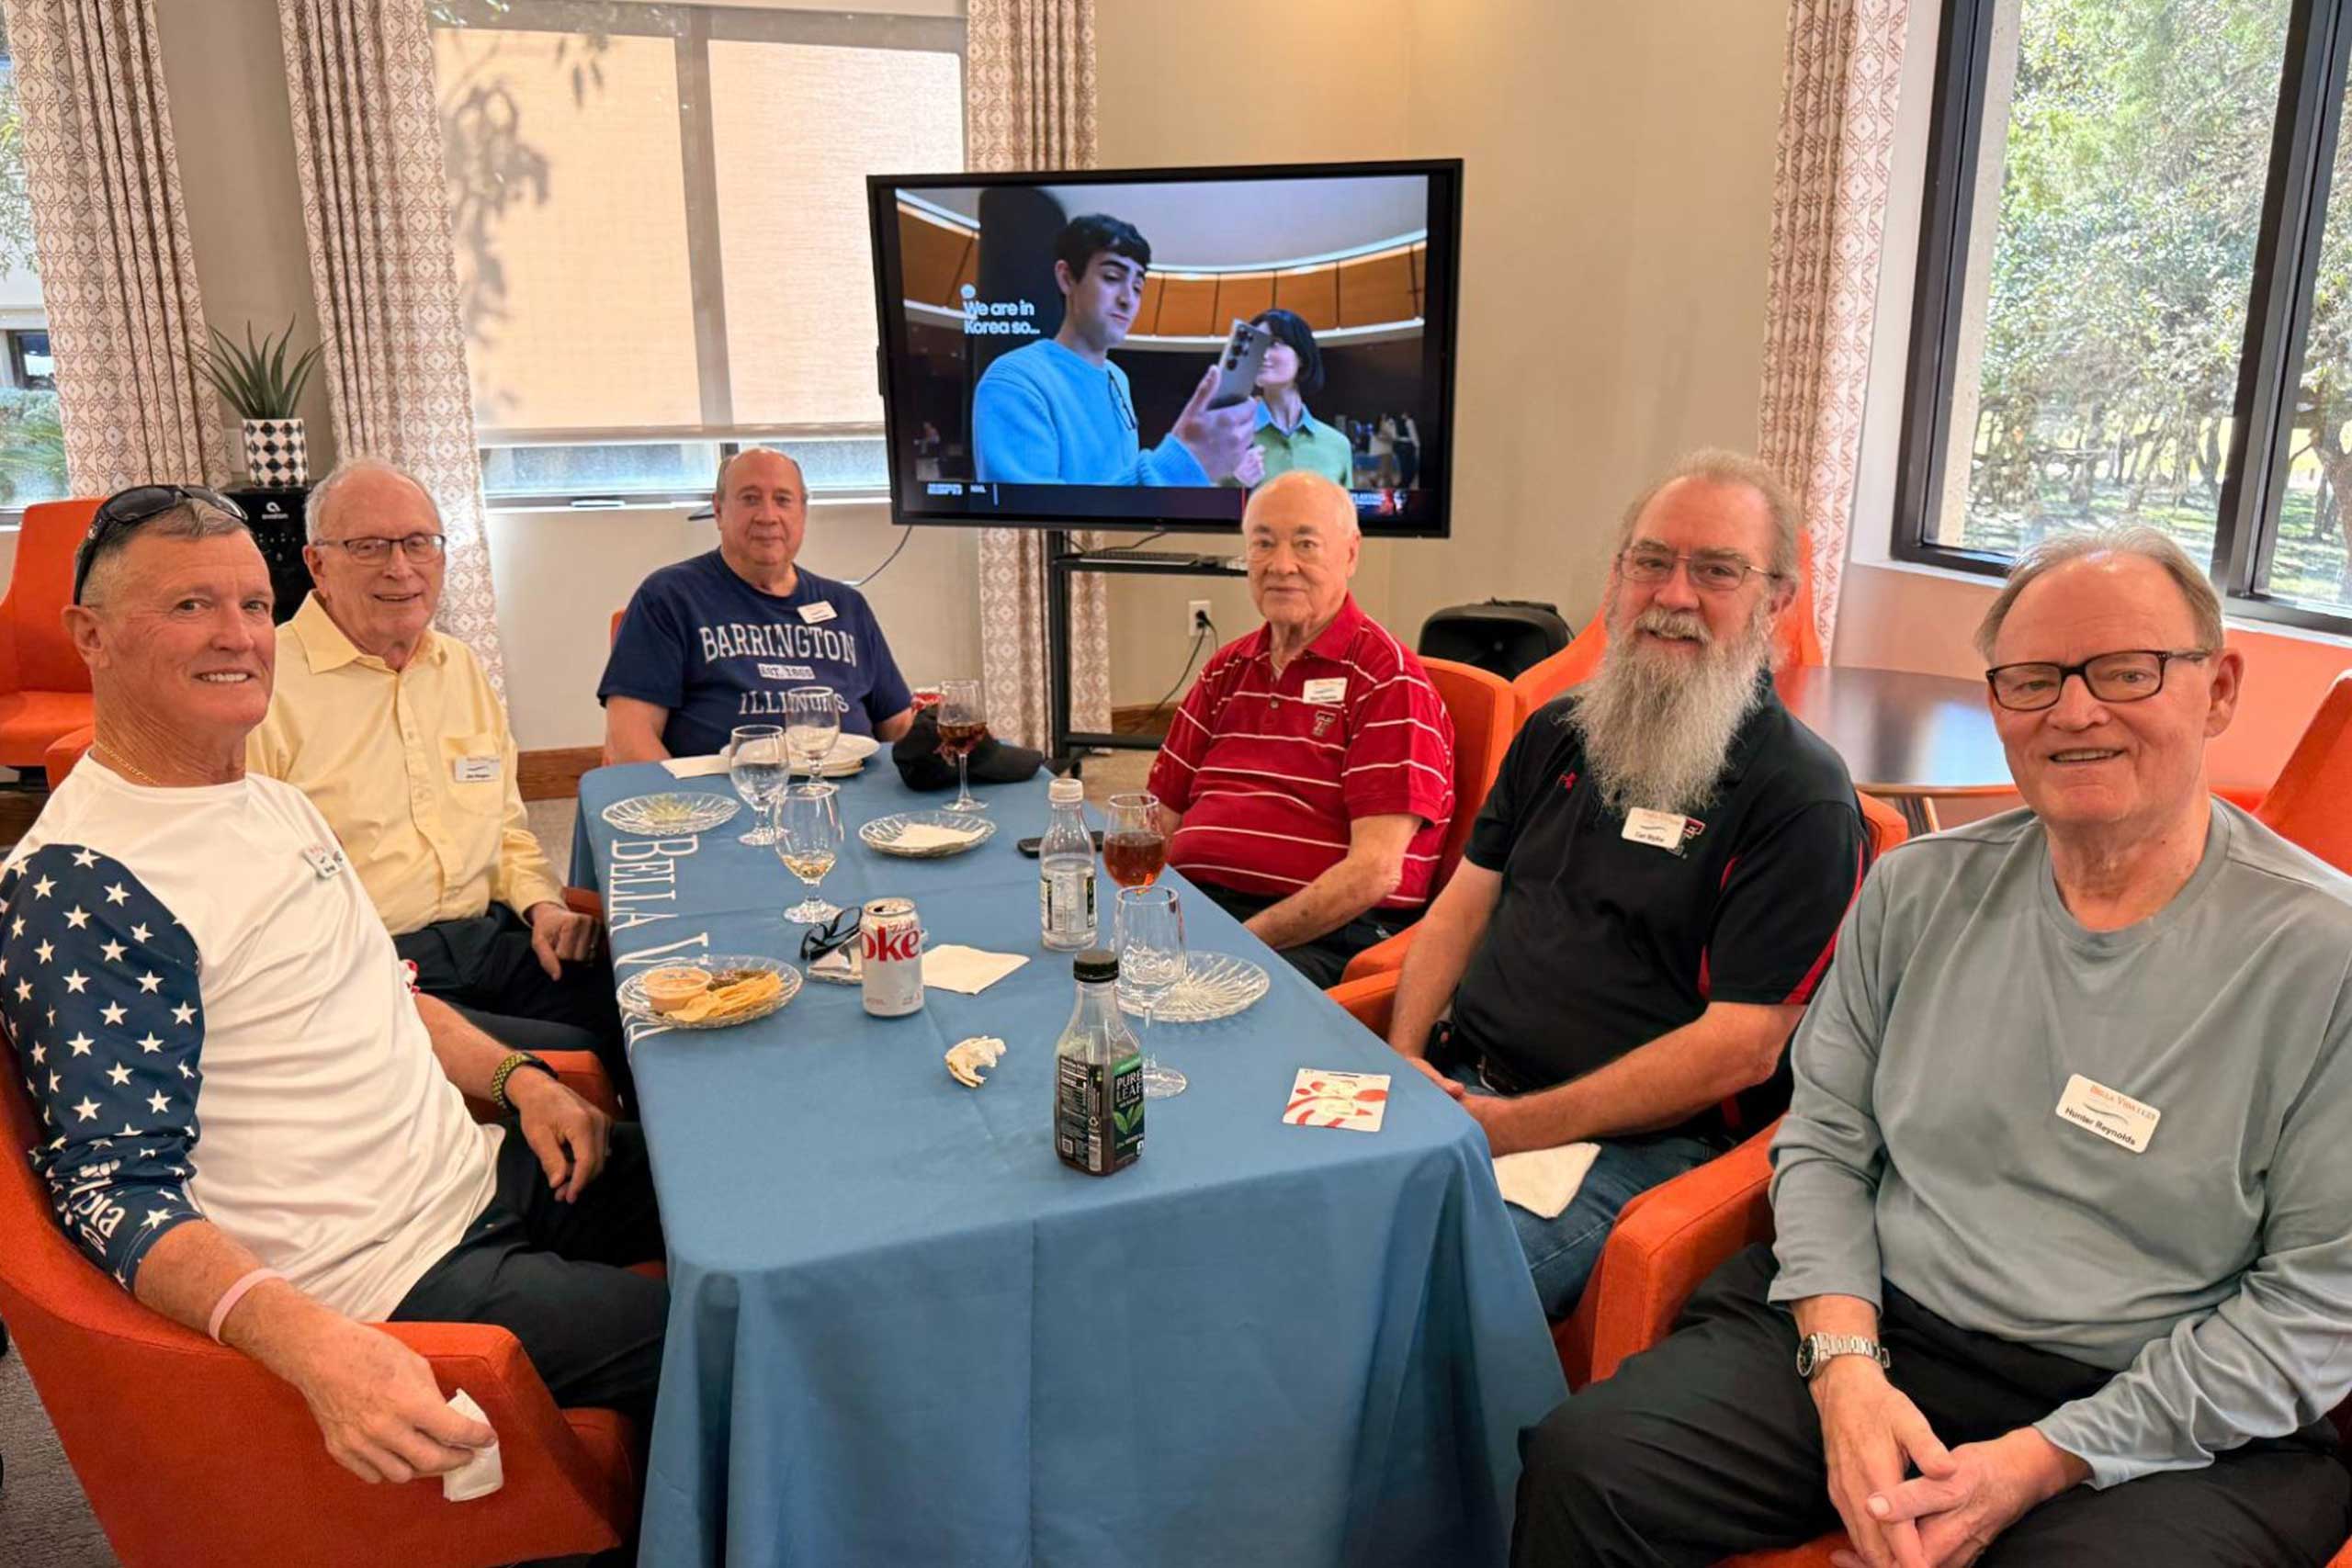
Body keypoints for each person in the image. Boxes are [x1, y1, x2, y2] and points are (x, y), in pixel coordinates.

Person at [1515, 526, 2352, 1568]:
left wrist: (2047, 1458)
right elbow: (1822, 1142)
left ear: (2217, 689)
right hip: (1885, 1326)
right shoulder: (1914, 891)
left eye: (2128, 672)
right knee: (1590, 1466)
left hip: (2170, 1406)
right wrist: (1844, 1367)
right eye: (2032, 680)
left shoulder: (2325, 958)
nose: (2075, 712)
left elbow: (2318, 1302)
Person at [6, 485, 665, 1488]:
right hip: (389, 1274)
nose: (238, 636)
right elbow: (110, 1191)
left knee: (742, 1189)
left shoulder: (269, 802)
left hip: (476, 1171)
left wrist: (524, 1079)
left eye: (251, 607)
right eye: (188, 606)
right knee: (739, 1324)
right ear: (89, 635)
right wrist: (315, 1348)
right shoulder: (83, 882)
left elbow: (384, 996)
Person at [1387, 450, 1866, 1316]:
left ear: (1778, 600)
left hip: (1628, 1145)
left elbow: (1742, 1048)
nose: (1674, 595)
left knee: (1409, 1299)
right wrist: (1407, 1053)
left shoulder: (1800, 797)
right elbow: (1464, 902)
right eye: (1651, 561)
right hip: (1459, 1082)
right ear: (1618, 575)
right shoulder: (1558, 732)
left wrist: (1506, 1128)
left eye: (1717, 570)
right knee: (1280, 1213)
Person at [247, 458, 628, 1101]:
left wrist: (543, 905)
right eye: (369, 547)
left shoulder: (460, 668)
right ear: (317, 564)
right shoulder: (267, 690)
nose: (401, 568)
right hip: (370, 975)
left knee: (648, 1006)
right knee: (583, 1055)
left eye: (419, 542)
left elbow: (505, 827)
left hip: (487, 938)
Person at [1146, 470, 1454, 987]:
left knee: (1187, 1012)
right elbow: (1158, 819)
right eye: (1263, 544)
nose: (1281, 565)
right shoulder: (1227, 668)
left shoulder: (1386, 679)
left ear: (1351, 554)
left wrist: (1239, 942)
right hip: (1202, 911)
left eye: (1305, 544)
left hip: (1322, 933)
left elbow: (1374, 873)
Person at [602, 447, 915, 761]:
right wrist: (689, 807)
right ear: (719, 510)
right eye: (750, 499)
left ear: (802, 513)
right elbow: (629, 736)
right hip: (729, 797)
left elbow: (898, 726)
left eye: (783, 500)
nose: (768, 516)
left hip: (851, 795)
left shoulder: (847, 606)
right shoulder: (669, 597)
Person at [970, 213, 1257, 487]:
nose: (1127, 299)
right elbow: (1029, 518)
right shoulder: (1015, 380)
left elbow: (1119, 487)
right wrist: (1179, 463)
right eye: (1111, 277)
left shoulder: (1117, 377)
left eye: (1137, 287)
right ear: (1067, 278)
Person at [1228, 308, 1354, 488]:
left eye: (1274, 343)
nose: (1262, 355)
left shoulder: (1337, 445)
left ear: (1301, 356)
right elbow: (1198, 509)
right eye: (1256, 346)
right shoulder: (1229, 439)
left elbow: (1346, 514)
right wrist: (1234, 481)